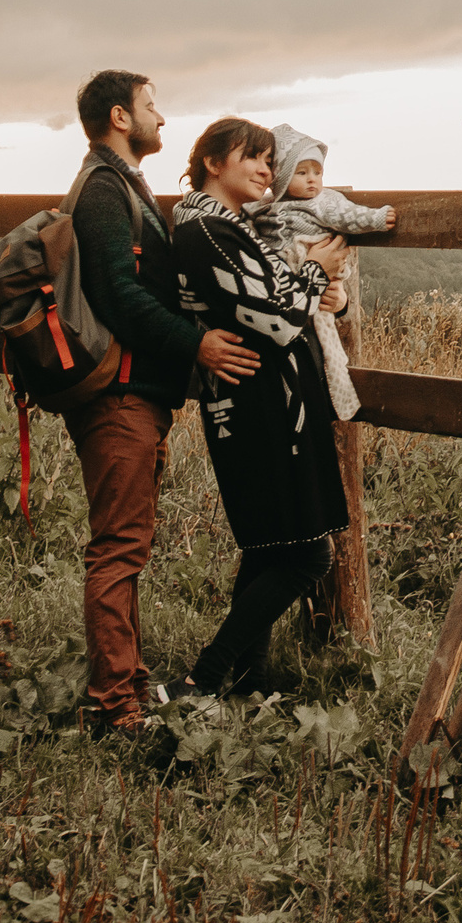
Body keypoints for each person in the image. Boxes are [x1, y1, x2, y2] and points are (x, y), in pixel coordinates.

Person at [65, 70, 262, 735]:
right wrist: (198, 345)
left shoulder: (123, 185)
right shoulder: (101, 191)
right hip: (117, 396)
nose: (163, 118)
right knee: (118, 549)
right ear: (120, 116)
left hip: (137, 395)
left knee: (130, 545)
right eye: (152, 106)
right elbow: (121, 296)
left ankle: (127, 684)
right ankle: (113, 708)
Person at [168, 117, 351, 697]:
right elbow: (274, 318)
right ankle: (202, 677)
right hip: (260, 407)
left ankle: (251, 685)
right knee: (306, 559)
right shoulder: (204, 232)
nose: (268, 170)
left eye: (271, 160)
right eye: (254, 157)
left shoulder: (237, 229)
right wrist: (317, 270)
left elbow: (284, 296)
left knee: (269, 545)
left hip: (272, 401)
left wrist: (325, 292)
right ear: (213, 162)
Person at [247, 124, 393, 419]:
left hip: (313, 268)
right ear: (283, 177)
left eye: (317, 172)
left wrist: (376, 218)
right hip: (286, 283)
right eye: (302, 173)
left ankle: (340, 400)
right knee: (305, 337)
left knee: (326, 339)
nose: (313, 180)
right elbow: (248, 216)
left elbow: (347, 216)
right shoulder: (267, 205)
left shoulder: (323, 201)